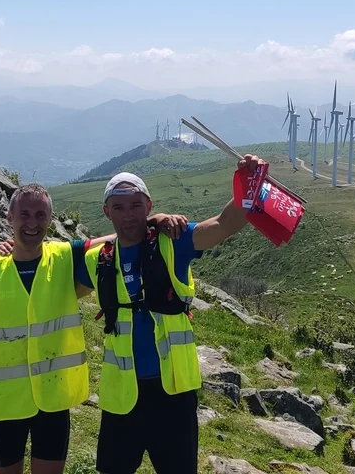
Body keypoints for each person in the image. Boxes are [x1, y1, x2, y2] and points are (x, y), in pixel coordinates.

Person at [0, 183, 186, 474]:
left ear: (50, 219)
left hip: (52, 403)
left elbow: (120, 238)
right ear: (10, 217)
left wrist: (151, 221)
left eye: (40, 215)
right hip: (3, 405)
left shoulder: (65, 257)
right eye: (24, 214)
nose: (32, 223)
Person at [88, 157, 262, 474]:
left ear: (148, 204)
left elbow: (225, 224)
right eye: (118, 207)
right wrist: (9, 247)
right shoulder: (97, 259)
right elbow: (49, 259)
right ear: (106, 212)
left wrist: (250, 182)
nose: (128, 214)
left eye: (136, 205)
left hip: (172, 393)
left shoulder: (173, 241)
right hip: (122, 395)